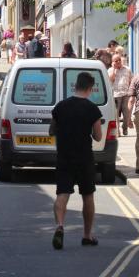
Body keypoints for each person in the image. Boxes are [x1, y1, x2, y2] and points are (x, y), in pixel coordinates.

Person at [49, 72, 104, 250]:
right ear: (90, 88)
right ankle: (87, 236)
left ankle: (59, 226)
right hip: (84, 158)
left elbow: (51, 131)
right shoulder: (92, 109)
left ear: (75, 86)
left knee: (62, 194)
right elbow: (97, 136)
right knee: (87, 195)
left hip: (64, 156)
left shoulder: (60, 107)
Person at [109, 54, 133, 136]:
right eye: (116, 61)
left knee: (126, 114)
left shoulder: (127, 69)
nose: (118, 62)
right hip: (115, 95)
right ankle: (117, 131)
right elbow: (111, 79)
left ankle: (125, 128)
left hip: (126, 94)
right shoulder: (110, 70)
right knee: (116, 114)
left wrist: (131, 92)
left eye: (119, 60)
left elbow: (131, 80)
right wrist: (114, 70)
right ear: (113, 62)